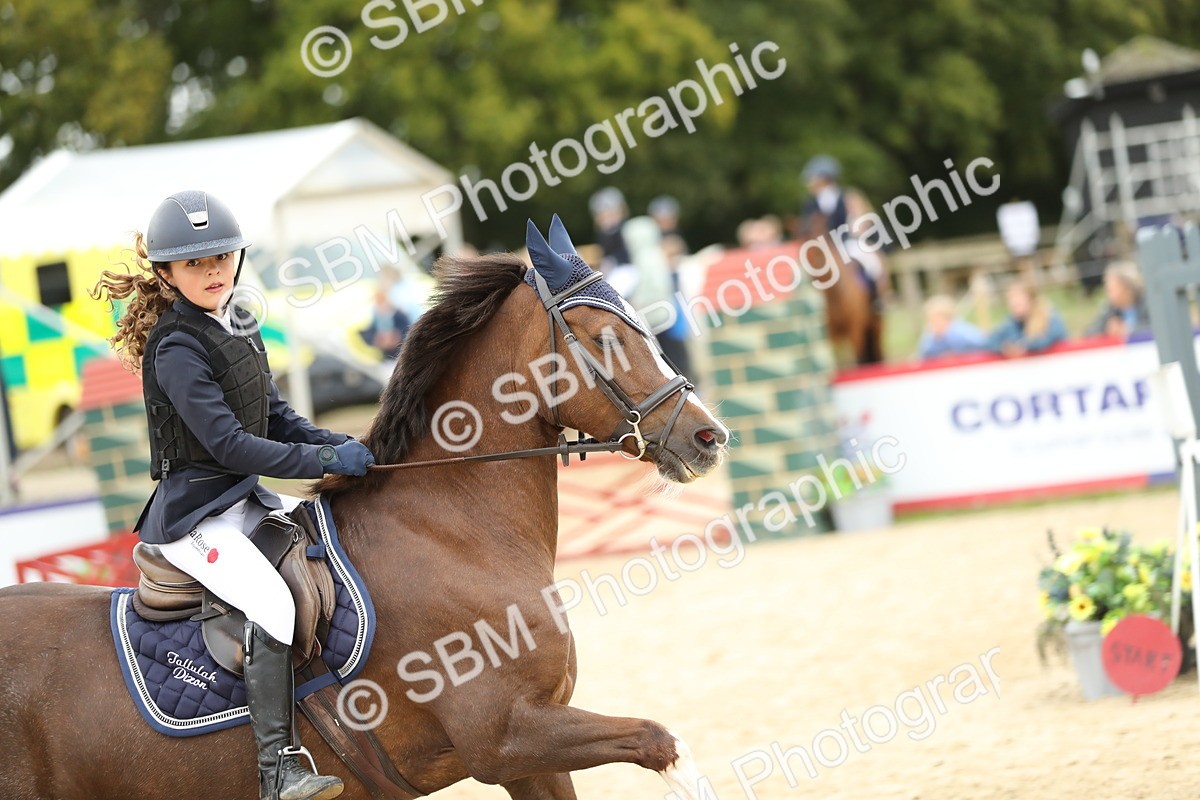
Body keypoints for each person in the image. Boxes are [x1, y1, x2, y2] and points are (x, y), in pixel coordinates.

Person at [91, 190, 372, 800]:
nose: (213, 270)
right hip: (196, 518)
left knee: (335, 544)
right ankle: (278, 770)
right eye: (195, 263)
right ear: (167, 274)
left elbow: (275, 416)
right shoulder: (176, 347)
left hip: (246, 500)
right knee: (273, 604)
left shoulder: (239, 319)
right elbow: (230, 446)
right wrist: (324, 462)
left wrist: (342, 443)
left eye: (221, 256)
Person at [987, 279, 1067, 357]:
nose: (1014, 304)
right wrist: (1004, 348)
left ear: (1031, 300)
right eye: (1012, 301)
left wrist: (1023, 347)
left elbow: (1048, 340)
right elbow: (991, 341)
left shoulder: (1049, 316)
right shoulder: (1011, 323)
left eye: (1019, 301)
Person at [1085, 260, 1151, 341]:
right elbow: (1089, 334)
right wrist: (1107, 329)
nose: (1107, 292)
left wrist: (1129, 330)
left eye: (1111, 289)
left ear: (1126, 287)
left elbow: (1156, 326)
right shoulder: (1110, 309)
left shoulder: (1148, 304)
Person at [917, 295, 988, 359]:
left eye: (939, 319)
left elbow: (983, 345)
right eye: (931, 321)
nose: (935, 323)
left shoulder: (962, 331)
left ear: (948, 318)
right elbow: (923, 356)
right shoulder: (930, 337)